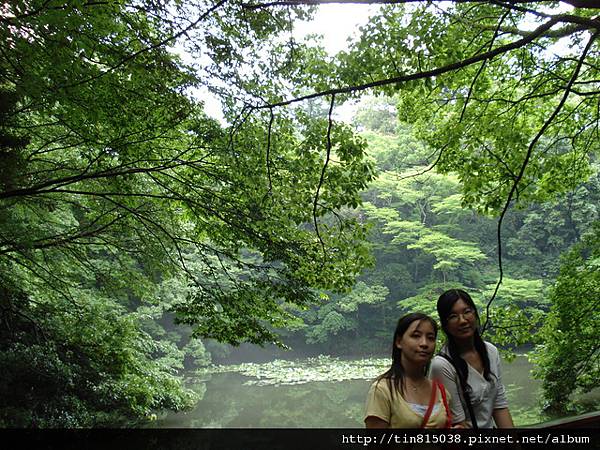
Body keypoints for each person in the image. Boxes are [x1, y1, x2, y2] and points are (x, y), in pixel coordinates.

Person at [430, 289, 514, 428]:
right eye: (453, 316)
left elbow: (499, 406)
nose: (462, 321)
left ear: (475, 313)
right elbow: (458, 423)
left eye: (467, 311)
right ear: (445, 325)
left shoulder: (491, 352)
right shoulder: (442, 365)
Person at [365, 313, 452, 428]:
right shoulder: (383, 390)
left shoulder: (441, 392)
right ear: (399, 342)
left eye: (430, 338)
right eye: (416, 336)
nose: (424, 343)